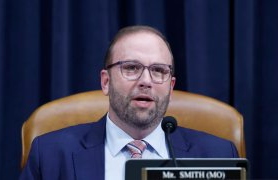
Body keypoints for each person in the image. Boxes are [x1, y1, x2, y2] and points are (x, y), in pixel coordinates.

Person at [19, 25, 238, 180]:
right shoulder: (51, 154)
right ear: (106, 82)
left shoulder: (218, 155)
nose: (145, 81)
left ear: (170, 88)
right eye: (131, 68)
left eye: (158, 71)